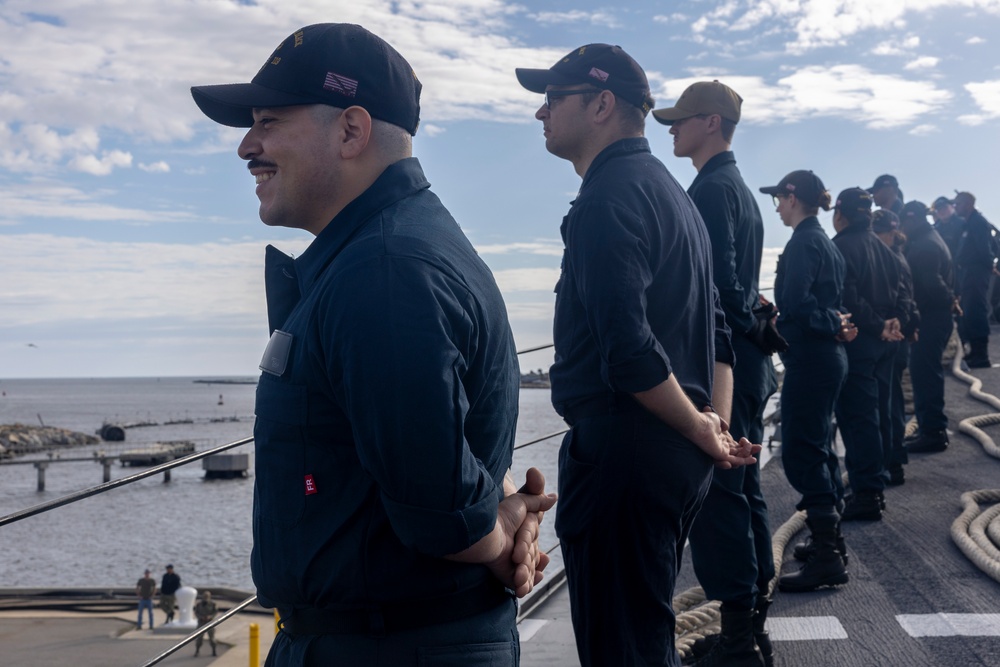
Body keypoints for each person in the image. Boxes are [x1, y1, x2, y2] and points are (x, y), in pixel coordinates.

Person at [191, 23, 556, 666]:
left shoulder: (384, 271)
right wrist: (503, 516)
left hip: (387, 647)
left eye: (269, 121)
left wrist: (500, 532)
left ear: (352, 132)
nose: (248, 146)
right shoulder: (390, 250)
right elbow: (433, 437)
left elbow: (440, 508)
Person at [515, 44, 758, 667]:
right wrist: (714, 423)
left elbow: (627, 350)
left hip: (628, 451)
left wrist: (703, 429)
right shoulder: (675, 195)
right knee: (646, 637)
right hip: (671, 453)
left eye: (553, 99)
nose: (541, 113)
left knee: (622, 649)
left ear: (601, 104)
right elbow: (721, 335)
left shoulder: (607, 199)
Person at [653, 80, 779, 667]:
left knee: (721, 495)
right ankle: (749, 629)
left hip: (725, 363)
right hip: (750, 362)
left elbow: (722, 288)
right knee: (745, 491)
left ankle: (736, 646)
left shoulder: (708, 190)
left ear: (710, 123)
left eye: (680, 120)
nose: (670, 129)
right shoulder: (740, 191)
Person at [761, 171, 855, 593]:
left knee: (801, 450)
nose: (777, 206)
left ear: (793, 196)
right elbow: (822, 301)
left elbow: (799, 306)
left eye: (779, 199)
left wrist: (819, 320)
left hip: (811, 360)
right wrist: (832, 319)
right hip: (829, 359)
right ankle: (829, 542)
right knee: (819, 446)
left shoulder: (803, 242)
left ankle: (827, 556)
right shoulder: (825, 244)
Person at [830, 188, 906, 521]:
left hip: (860, 344)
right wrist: (890, 325)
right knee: (881, 412)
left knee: (859, 419)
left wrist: (876, 326)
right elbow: (901, 294)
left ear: (840, 214)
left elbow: (849, 300)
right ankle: (882, 474)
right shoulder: (887, 251)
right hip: (886, 345)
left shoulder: (840, 247)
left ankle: (868, 493)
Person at [899, 201, 958, 454]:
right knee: (925, 373)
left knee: (925, 375)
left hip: (931, 319)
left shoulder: (923, 247)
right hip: (936, 317)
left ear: (912, 220)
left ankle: (933, 432)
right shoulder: (931, 238)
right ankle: (929, 429)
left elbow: (932, 284)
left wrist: (950, 302)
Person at [871, 210, 919, 483]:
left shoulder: (892, 259)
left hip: (891, 341)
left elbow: (903, 302)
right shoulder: (898, 256)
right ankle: (893, 461)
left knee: (887, 406)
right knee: (892, 403)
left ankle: (892, 463)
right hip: (897, 339)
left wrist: (890, 326)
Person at [954, 191, 997, 367]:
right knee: (970, 312)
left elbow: (984, 248)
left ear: (968, 204)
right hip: (970, 272)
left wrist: (988, 267)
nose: (955, 207)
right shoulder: (969, 222)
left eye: (958, 204)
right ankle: (974, 353)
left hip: (977, 272)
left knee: (976, 311)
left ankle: (981, 355)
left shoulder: (978, 222)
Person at [931, 196, 965, 271]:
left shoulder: (963, 224)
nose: (942, 211)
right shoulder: (935, 228)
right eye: (938, 209)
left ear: (952, 207)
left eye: (944, 208)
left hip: (961, 267)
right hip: (944, 266)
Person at [194, 590, 219, 657]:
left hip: (209, 623)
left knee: (212, 638)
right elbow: (196, 612)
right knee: (199, 638)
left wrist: (210, 617)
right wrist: (201, 617)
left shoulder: (213, 604)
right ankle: (197, 650)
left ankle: (214, 650)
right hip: (201, 622)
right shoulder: (199, 604)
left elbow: (215, 612)